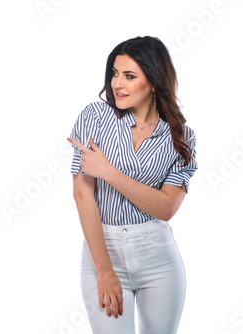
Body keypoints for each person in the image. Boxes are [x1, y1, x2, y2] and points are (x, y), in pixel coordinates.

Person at [66, 36, 198, 334]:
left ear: (153, 82)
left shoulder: (181, 137)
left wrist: (109, 173)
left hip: (158, 257)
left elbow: (165, 208)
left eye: (129, 76)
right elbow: (82, 195)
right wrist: (105, 271)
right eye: (114, 73)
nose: (117, 84)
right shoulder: (95, 117)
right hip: (103, 249)